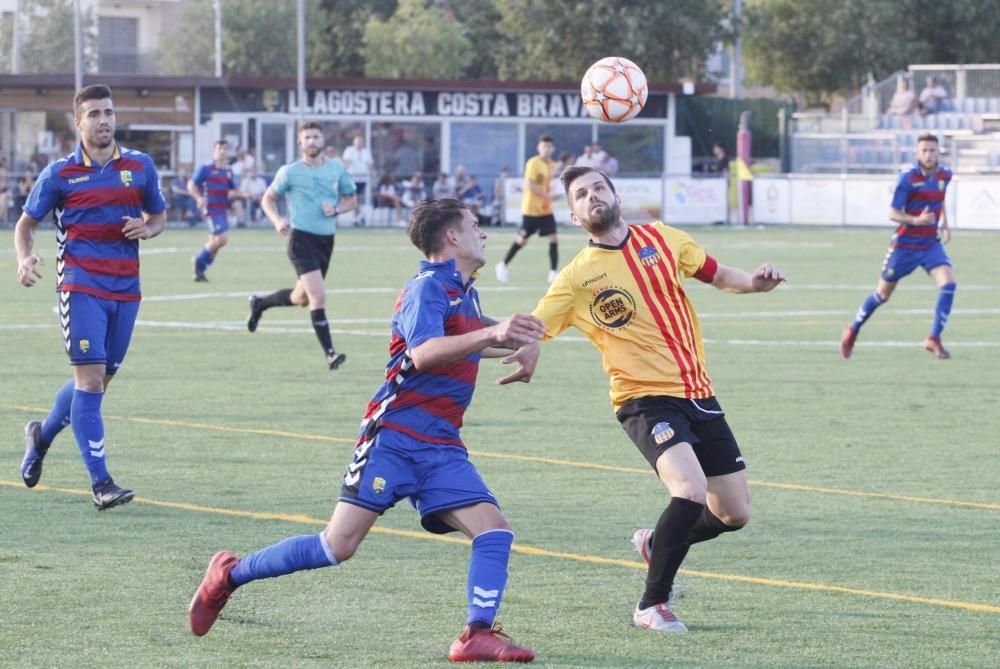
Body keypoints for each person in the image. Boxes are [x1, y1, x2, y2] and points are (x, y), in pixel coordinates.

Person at [189, 199, 542, 663]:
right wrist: (494, 337)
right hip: (392, 437)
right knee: (337, 546)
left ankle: (475, 634)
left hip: (441, 447)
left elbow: (473, 338)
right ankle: (230, 574)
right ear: (451, 237)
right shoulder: (426, 288)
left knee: (495, 532)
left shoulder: (463, 291)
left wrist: (524, 341)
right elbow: (426, 351)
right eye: (476, 226)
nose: (485, 234)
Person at [527, 165, 785, 632]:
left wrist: (754, 282)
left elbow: (717, 272)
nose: (593, 198)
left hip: (699, 392)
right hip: (643, 400)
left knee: (734, 512)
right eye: (582, 195)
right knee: (687, 491)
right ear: (572, 215)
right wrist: (520, 345)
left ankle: (655, 542)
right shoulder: (575, 278)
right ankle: (651, 605)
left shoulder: (664, 238)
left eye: (599, 188)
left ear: (616, 194)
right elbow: (534, 325)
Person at [14, 84, 167, 510]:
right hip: (80, 285)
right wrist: (24, 259)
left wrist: (148, 228)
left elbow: (158, 216)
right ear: (78, 121)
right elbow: (25, 225)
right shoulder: (60, 173)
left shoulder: (139, 165)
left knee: (99, 384)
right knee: (90, 381)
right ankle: (102, 484)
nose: (104, 120)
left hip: (126, 288)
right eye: (95, 114)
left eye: (109, 112)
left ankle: (40, 436)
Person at [247, 121, 356, 370]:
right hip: (300, 240)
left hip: (326, 241)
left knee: (301, 298)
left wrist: (337, 209)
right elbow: (268, 199)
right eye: (307, 137)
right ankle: (330, 353)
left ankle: (260, 303)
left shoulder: (336, 169)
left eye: (316, 137)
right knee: (318, 296)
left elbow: (352, 200)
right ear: (300, 143)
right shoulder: (290, 172)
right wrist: (276, 220)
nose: (312, 141)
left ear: (323, 141)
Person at [840, 133, 955, 360]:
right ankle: (853, 329)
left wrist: (945, 224)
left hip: (930, 244)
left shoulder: (945, 175)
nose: (929, 154)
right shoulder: (907, 179)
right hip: (905, 246)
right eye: (924, 150)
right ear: (917, 153)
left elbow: (940, 197)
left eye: (932, 150)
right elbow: (892, 213)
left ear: (938, 151)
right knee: (882, 294)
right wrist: (916, 220)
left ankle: (934, 338)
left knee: (949, 284)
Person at [495, 135, 559, 284]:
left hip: (546, 210)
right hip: (531, 209)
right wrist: (548, 195)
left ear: (553, 148)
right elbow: (530, 185)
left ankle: (553, 272)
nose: (547, 149)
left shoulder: (551, 164)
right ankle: (503, 265)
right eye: (544, 146)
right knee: (522, 240)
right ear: (539, 148)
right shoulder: (533, 163)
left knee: (554, 238)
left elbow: (550, 180)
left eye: (549, 146)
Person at [188, 139, 246, 281]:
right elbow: (191, 185)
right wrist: (199, 198)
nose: (222, 151)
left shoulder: (228, 171)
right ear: (214, 150)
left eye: (225, 148)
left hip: (222, 210)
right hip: (210, 209)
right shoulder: (206, 168)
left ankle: (199, 272)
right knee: (221, 239)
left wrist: (247, 195)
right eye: (220, 148)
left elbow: (234, 190)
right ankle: (199, 261)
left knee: (215, 244)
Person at [341, 134, 375, 226]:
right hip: (352, 177)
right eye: (357, 141)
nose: (359, 143)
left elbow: (370, 164)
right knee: (353, 197)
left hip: (363, 178)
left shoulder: (366, 152)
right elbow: (346, 162)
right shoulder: (349, 150)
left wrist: (373, 174)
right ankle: (360, 215)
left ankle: (356, 218)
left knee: (358, 198)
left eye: (361, 141)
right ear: (354, 142)